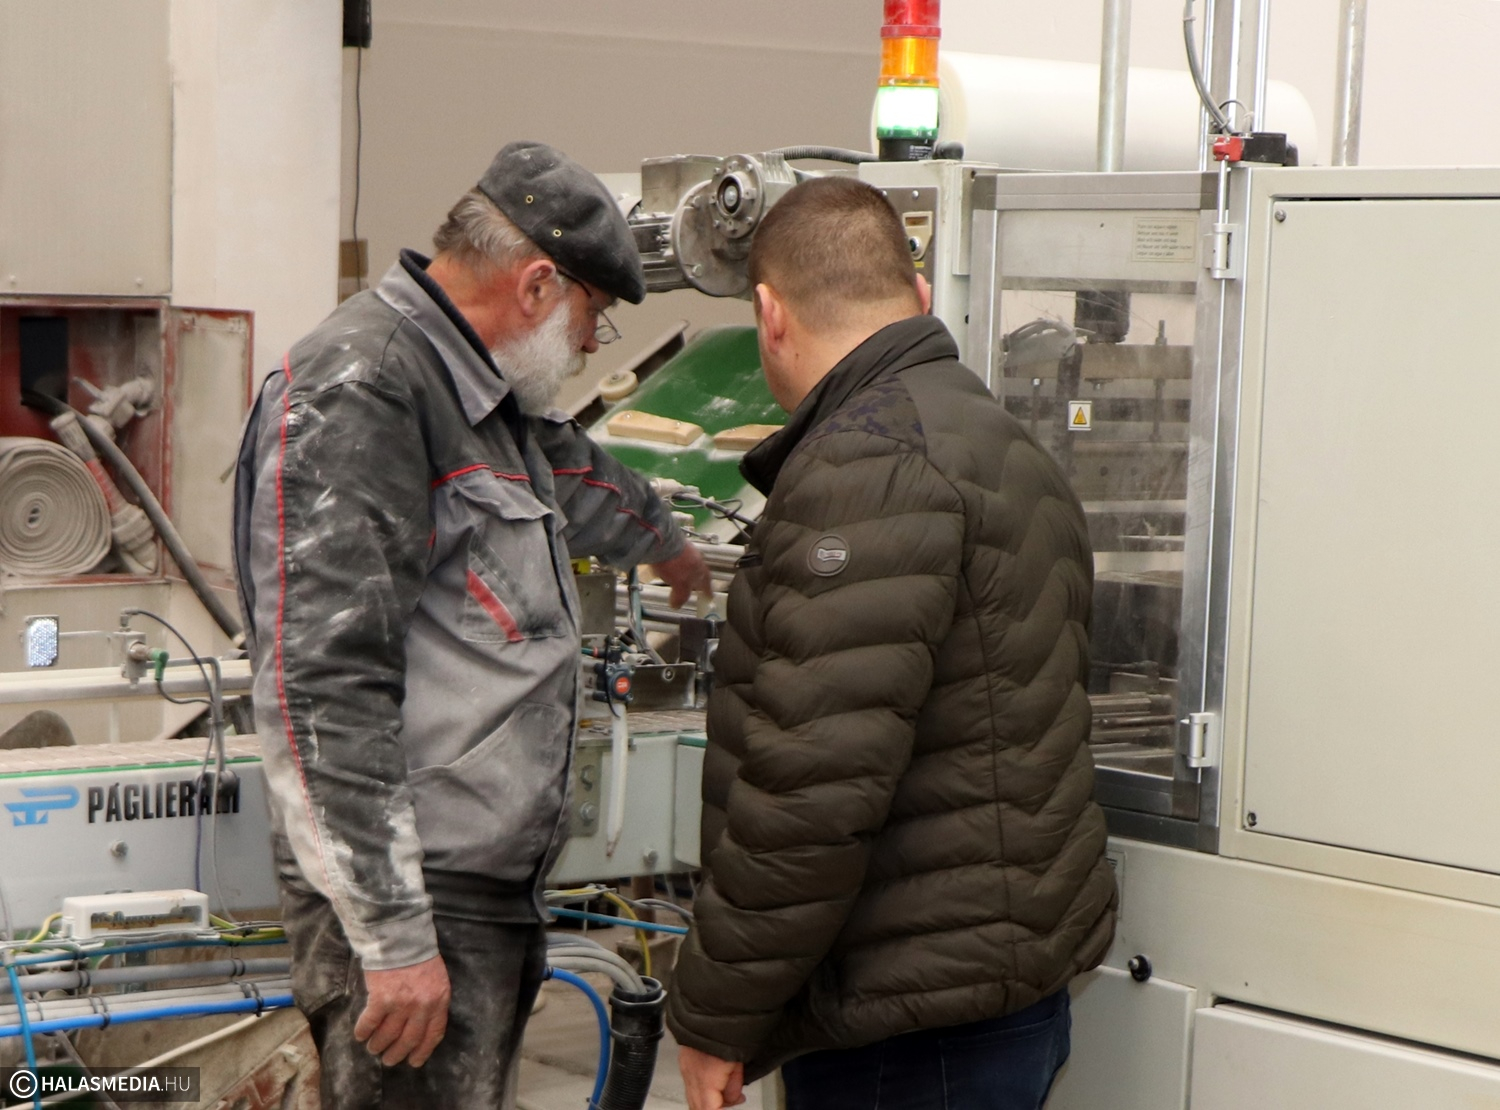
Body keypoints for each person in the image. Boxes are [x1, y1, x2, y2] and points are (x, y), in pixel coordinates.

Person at [232, 140, 709, 1108]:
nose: (591, 345)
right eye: (594, 316)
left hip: (480, 895)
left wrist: (664, 539)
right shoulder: (363, 389)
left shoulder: (476, 389)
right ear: (537, 286)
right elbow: (323, 689)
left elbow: (567, 470)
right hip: (417, 903)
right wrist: (393, 937)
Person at [666, 176, 1118, 1110]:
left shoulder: (863, 464)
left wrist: (716, 1012)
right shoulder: (999, 439)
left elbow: (813, 789)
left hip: (905, 1025)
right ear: (916, 293)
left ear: (769, 313)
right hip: (999, 987)